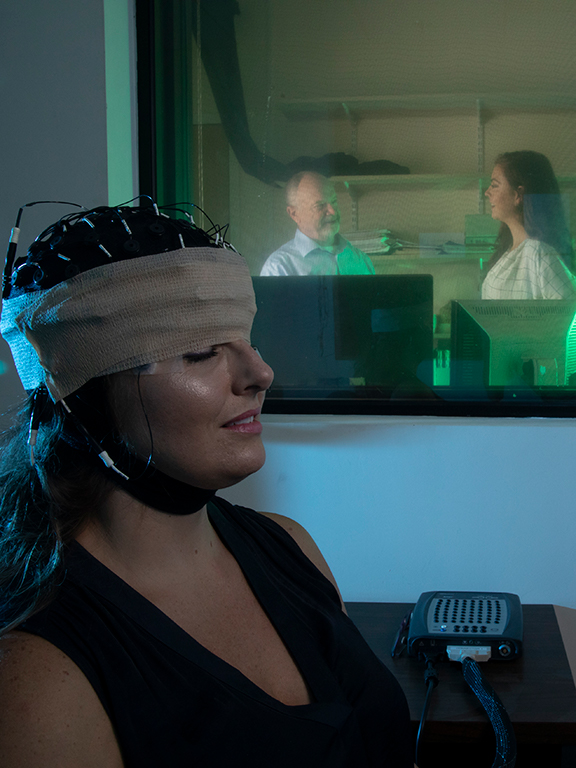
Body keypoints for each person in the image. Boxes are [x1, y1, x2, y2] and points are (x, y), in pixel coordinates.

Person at [0, 203, 412, 767]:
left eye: (247, 341)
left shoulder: (290, 546)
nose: (261, 374)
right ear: (84, 399)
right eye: (201, 353)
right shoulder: (42, 680)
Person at [482, 150, 576, 299]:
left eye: (494, 185)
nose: (487, 192)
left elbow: (569, 306)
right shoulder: (510, 250)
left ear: (518, 195)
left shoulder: (539, 253)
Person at [260, 171, 376, 276]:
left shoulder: (360, 259)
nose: (332, 211)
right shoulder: (279, 268)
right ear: (294, 214)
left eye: (334, 201)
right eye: (320, 206)